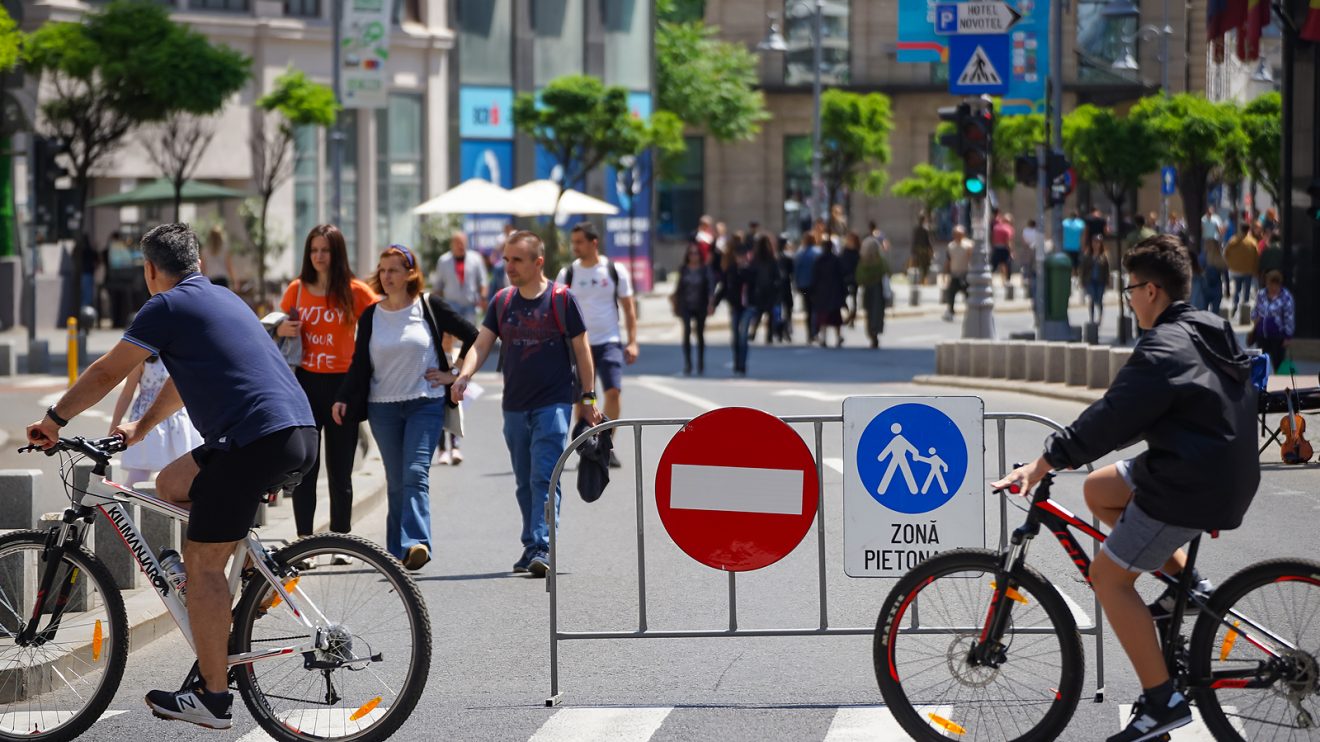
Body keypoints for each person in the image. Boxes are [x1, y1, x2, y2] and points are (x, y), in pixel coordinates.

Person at [27, 223, 317, 730]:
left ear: (149, 270)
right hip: (296, 432)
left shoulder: (164, 306)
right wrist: (138, 428)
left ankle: (213, 698)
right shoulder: (221, 297)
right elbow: (183, 382)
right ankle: (252, 571)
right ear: (197, 262)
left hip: (252, 442)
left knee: (202, 564)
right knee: (170, 484)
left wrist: (54, 421)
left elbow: (107, 372)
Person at [993, 234, 1258, 742]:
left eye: (1131, 289)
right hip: (1217, 463)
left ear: (1152, 290)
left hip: (1191, 480)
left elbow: (1112, 417)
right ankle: (1187, 585)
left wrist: (1043, 463)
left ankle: (1162, 703)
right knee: (1099, 490)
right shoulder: (1208, 328)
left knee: (1109, 579)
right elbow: (1152, 411)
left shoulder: (1161, 348)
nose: (1130, 299)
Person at [451, 231, 602, 578]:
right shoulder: (503, 301)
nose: (509, 267)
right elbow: (481, 343)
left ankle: (543, 546)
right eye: (506, 259)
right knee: (523, 480)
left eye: (517, 260)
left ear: (538, 262)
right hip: (514, 406)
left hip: (553, 404)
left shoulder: (562, 299)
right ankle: (531, 542)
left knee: (543, 476)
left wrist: (588, 396)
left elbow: (582, 349)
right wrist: (464, 374)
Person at [332, 244, 476, 570]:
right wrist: (342, 397)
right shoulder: (372, 315)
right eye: (383, 270)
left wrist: (454, 373)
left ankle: (416, 542)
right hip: (382, 407)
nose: (387, 276)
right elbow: (359, 364)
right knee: (396, 482)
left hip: (424, 403)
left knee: (415, 473)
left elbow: (474, 336)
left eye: (394, 270)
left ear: (410, 274)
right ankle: (397, 554)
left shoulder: (429, 306)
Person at [277, 224, 378, 546]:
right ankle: (304, 540)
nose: (319, 256)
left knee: (340, 469)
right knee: (305, 467)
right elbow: (274, 328)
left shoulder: (355, 290)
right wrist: (281, 329)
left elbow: (385, 316)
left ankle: (341, 540)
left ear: (337, 253)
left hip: (343, 387)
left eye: (325, 250)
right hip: (304, 384)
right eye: (314, 250)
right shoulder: (296, 290)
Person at [556, 221, 637, 467]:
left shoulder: (614, 270)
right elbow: (557, 310)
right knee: (584, 399)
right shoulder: (568, 273)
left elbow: (628, 308)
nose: (575, 247)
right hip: (579, 345)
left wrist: (633, 342)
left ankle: (605, 445)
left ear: (594, 243)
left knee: (613, 392)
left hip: (609, 340)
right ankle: (587, 447)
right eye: (573, 242)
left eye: (579, 242)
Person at [430, 232, 487, 465]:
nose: (459, 246)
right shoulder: (444, 261)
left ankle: (462, 367)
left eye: (462, 242)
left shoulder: (475, 259)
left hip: (469, 307)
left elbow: (483, 282)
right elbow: (437, 287)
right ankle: (443, 448)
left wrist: (482, 298)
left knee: (470, 340)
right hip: (450, 306)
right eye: (456, 242)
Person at [108, 355, 203, 488]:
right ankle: (123, 498)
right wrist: (114, 426)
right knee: (139, 473)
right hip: (147, 422)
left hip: (177, 421)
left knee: (182, 471)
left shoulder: (180, 355)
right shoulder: (143, 358)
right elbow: (126, 394)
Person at [734, 233, 780, 373]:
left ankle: (755, 332)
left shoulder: (755, 261)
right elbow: (777, 278)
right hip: (764, 295)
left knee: (748, 325)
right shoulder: (772, 260)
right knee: (769, 314)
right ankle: (769, 334)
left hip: (755, 297)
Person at [672, 242, 716, 375]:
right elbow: (679, 287)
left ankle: (700, 363)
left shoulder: (704, 269)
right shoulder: (684, 269)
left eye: (696, 253)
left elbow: (710, 288)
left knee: (700, 334)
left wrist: (711, 304)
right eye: (691, 253)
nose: (693, 256)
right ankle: (688, 363)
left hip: (700, 304)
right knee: (686, 332)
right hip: (686, 304)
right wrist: (675, 302)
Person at [1251, 270, 1294, 372]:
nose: (1273, 288)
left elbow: (1289, 317)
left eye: (1276, 285)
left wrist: (1288, 336)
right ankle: (1262, 381)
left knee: (1278, 364)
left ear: (1279, 285)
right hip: (1262, 335)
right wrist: (1255, 318)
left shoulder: (1286, 297)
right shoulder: (1261, 294)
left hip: (1278, 337)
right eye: (1270, 285)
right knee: (1261, 364)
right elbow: (1255, 310)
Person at [811, 238, 847, 348]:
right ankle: (838, 336)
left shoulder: (818, 260)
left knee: (823, 317)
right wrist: (844, 292)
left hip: (822, 292)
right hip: (834, 291)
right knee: (836, 317)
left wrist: (813, 292)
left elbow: (814, 277)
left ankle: (823, 338)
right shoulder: (836, 260)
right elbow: (841, 277)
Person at [855, 235, 889, 349]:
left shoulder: (863, 262)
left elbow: (859, 277)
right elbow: (887, 272)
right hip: (878, 289)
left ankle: (871, 333)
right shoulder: (880, 261)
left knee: (869, 312)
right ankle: (875, 332)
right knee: (877, 312)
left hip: (867, 289)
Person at [1224, 221, 1259, 316]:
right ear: (1248, 230)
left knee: (1237, 290)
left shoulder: (1233, 240)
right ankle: (1245, 311)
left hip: (1236, 270)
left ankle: (1235, 305)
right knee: (1246, 291)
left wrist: (1230, 264)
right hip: (1248, 270)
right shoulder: (1252, 242)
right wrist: (1256, 270)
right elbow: (1257, 257)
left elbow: (1226, 253)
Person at [793, 233, 821, 343]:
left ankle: (809, 333)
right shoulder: (818, 253)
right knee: (816, 309)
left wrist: (796, 284)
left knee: (808, 309)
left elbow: (796, 271)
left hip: (804, 286)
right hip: (816, 286)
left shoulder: (800, 254)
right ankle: (816, 331)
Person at [942, 226, 972, 322]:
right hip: (955, 274)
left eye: (959, 234)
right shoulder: (951, 246)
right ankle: (951, 311)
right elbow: (948, 260)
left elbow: (972, 260)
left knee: (968, 294)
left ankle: (971, 312)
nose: (957, 236)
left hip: (965, 274)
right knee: (951, 294)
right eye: (955, 234)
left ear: (963, 235)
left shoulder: (968, 245)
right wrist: (944, 273)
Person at [1080, 233, 1111, 325]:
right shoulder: (1087, 256)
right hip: (1090, 280)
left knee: (1099, 299)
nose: (1096, 244)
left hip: (1100, 281)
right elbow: (1083, 269)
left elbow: (1107, 270)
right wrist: (1082, 281)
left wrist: (1108, 281)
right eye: (1094, 242)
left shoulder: (1104, 256)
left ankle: (1100, 317)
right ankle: (1092, 318)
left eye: (1098, 242)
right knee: (1092, 299)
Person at [774, 235, 796, 343]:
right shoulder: (786, 258)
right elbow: (792, 272)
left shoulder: (775, 258)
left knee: (779, 309)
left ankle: (779, 331)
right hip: (784, 286)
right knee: (787, 309)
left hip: (778, 287)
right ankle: (785, 330)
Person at [201, 225, 234, 289]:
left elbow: (203, 268)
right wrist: (233, 280)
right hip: (222, 279)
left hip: (210, 279)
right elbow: (229, 266)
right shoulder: (224, 249)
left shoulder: (205, 250)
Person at [840, 232, 862, 327]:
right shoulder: (845, 251)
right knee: (842, 298)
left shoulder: (857, 252)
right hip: (845, 278)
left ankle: (852, 318)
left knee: (854, 299)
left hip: (854, 278)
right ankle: (849, 314)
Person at [990, 211, 1015, 289]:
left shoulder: (996, 227)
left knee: (993, 266)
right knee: (1007, 265)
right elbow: (1008, 241)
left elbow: (992, 238)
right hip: (1004, 249)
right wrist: (1011, 252)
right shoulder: (1009, 228)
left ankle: (989, 281)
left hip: (996, 248)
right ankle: (1006, 281)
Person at [910, 212, 934, 284]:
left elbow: (914, 240)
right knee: (925, 265)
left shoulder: (916, 229)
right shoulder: (925, 229)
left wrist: (913, 250)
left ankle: (921, 279)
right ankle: (923, 279)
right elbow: (928, 241)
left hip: (918, 250)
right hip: (924, 251)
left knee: (919, 265)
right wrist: (931, 250)